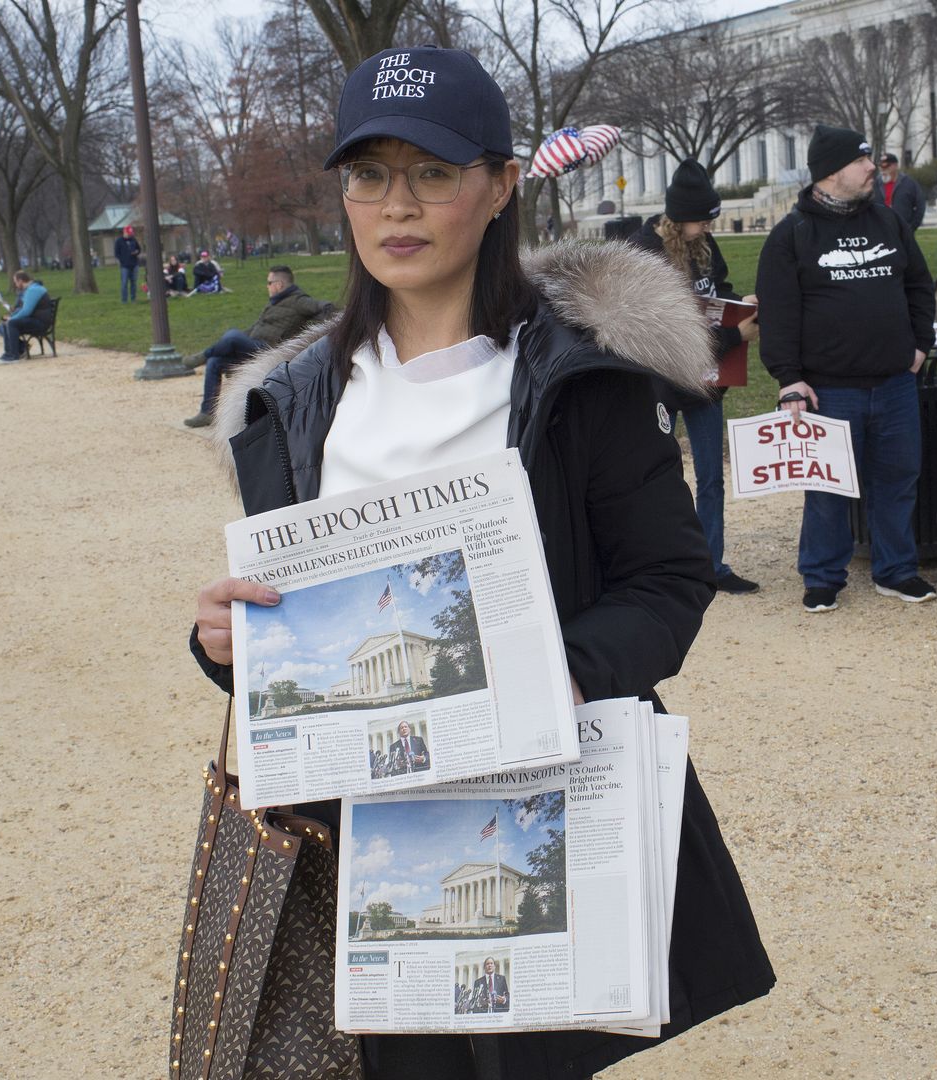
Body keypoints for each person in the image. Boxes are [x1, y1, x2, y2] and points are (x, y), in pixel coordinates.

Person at [190, 45, 772, 1079]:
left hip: (535, 815)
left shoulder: (578, 381)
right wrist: (231, 643)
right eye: (369, 174)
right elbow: (300, 640)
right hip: (367, 850)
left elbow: (669, 584)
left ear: (500, 186)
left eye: (433, 172)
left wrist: (545, 677)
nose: (396, 206)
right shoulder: (294, 403)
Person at [756, 123, 937, 612]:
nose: (871, 168)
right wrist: (789, 378)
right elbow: (777, 314)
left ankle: (896, 571)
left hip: (896, 383)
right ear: (832, 172)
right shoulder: (791, 236)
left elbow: (919, 286)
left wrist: (920, 344)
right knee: (828, 487)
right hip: (829, 390)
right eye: (861, 161)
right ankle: (822, 576)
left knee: (898, 478)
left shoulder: (888, 222)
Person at [629, 158, 760, 594]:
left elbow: (717, 292)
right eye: (702, 218)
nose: (707, 226)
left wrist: (742, 303)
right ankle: (659, 566)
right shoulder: (646, 251)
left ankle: (712, 565)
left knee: (711, 475)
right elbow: (661, 326)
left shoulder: (705, 245)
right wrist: (731, 337)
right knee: (656, 476)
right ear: (679, 215)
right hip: (663, 381)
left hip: (707, 381)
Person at [182, 265, 336, 427]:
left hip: (268, 351)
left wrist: (311, 331)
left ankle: (200, 357)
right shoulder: (274, 304)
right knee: (215, 360)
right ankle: (206, 412)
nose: (267, 286)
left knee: (232, 335)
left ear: (279, 284)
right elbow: (254, 329)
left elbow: (327, 308)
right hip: (253, 346)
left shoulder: (299, 301)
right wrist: (235, 340)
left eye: (269, 282)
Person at [0, 270, 53, 362]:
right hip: (35, 319)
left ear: (20, 281)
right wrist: (12, 316)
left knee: (11, 323)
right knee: (6, 324)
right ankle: (10, 353)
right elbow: (23, 309)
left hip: (40, 323)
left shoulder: (33, 290)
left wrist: (11, 319)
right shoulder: (31, 289)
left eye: (15, 282)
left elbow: (26, 311)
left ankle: (14, 354)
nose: (15, 284)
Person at [872, 150, 925, 230]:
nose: (883, 170)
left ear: (896, 166)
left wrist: (912, 227)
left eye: (887, 166)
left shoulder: (909, 183)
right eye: (881, 167)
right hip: (880, 231)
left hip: (903, 230)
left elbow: (920, 205)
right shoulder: (874, 184)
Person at [114, 226, 142, 303]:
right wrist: (123, 260)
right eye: (128, 233)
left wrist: (136, 252)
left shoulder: (133, 240)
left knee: (133, 282)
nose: (130, 235)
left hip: (134, 264)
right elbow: (116, 254)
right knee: (124, 283)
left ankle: (133, 299)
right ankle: (124, 300)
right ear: (124, 232)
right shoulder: (119, 241)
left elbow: (139, 249)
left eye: (131, 233)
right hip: (124, 266)